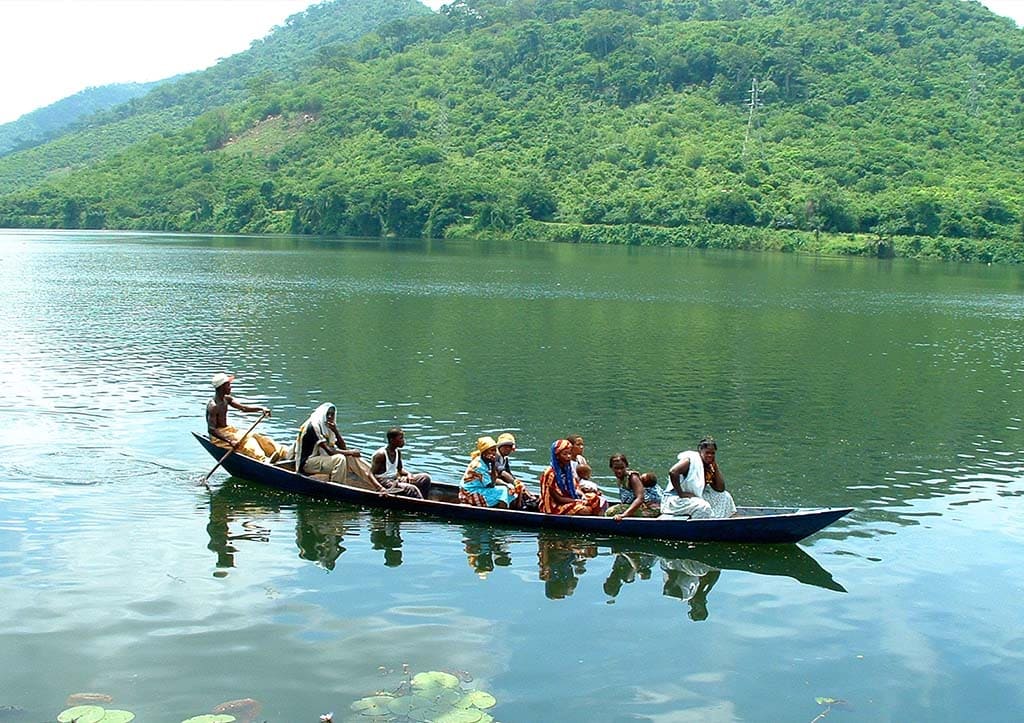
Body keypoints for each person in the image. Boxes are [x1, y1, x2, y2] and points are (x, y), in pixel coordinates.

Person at [295, 403, 418, 496]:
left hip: (322, 460)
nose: (330, 417)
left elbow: (342, 447)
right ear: (323, 414)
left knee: (350, 457)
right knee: (340, 458)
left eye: (332, 414)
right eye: (328, 414)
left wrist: (336, 431)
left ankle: (375, 484)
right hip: (307, 463)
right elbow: (330, 452)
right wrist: (351, 452)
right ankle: (337, 488)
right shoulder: (314, 427)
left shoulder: (327, 426)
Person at [206, 372, 285, 462]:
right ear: (222, 387)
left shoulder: (226, 399)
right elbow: (211, 429)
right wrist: (230, 441)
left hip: (228, 430)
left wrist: (261, 408)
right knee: (247, 440)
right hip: (218, 437)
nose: (230, 387)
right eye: (228, 385)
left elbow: (243, 408)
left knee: (254, 435)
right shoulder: (213, 406)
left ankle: (282, 452)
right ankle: (263, 460)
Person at [661, 436, 736, 518]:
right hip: (675, 500)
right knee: (703, 506)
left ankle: (720, 520)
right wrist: (681, 493)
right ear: (700, 451)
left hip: (693, 497)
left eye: (712, 453)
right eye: (707, 453)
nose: (710, 455)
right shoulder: (691, 460)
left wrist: (715, 465)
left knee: (725, 496)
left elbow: (720, 489)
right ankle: (702, 526)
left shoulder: (709, 466)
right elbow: (673, 472)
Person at [538, 439, 604, 516]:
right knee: (585, 510)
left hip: (569, 499)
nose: (568, 456)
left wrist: (582, 496)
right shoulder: (550, 473)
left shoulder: (567, 469)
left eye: (569, 453)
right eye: (565, 454)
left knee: (595, 498)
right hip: (554, 506)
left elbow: (575, 487)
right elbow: (558, 499)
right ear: (557, 456)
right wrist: (577, 501)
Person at [370, 427, 432, 498]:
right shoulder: (381, 455)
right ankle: (422, 505)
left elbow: (400, 470)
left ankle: (424, 500)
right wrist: (380, 488)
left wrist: (409, 474)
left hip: (395, 479)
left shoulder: (397, 452)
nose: (403, 440)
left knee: (425, 478)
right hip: (385, 482)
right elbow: (370, 474)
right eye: (401, 438)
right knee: (411, 489)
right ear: (392, 440)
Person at [460, 436, 514, 508]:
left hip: (480, 488)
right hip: (469, 492)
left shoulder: (486, 461)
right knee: (503, 491)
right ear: (484, 452)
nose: (494, 453)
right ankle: (501, 513)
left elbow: (493, 480)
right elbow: (491, 484)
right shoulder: (478, 466)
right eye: (491, 450)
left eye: (495, 450)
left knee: (509, 491)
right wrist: (493, 464)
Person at [605, 453, 662, 520]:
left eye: (622, 468)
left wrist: (624, 515)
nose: (619, 471)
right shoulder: (620, 478)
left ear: (626, 466)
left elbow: (640, 498)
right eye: (616, 468)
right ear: (611, 467)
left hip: (650, 509)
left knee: (610, 512)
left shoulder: (632, 477)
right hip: (639, 506)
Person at [494, 433, 537, 509]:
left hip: (499, 481)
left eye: (510, 447)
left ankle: (528, 500)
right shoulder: (495, 456)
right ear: (500, 446)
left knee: (520, 488)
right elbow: (502, 473)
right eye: (505, 446)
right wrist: (515, 483)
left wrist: (520, 485)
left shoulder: (505, 458)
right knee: (515, 487)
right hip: (493, 482)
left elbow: (509, 473)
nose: (508, 449)